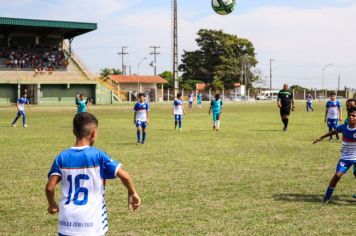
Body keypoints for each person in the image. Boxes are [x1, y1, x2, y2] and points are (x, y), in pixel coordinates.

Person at [45, 112, 140, 235]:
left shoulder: (62, 157)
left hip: (66, 224)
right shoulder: (98, 155)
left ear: (73, 131)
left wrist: (52, 203)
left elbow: (49, 187)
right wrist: (132, 192)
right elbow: (125, 177)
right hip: (91, 224)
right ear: (94, 132)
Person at [313, 107, 356, 203]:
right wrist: (321, 138)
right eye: (349, 116)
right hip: (345, 158)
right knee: (337, 176)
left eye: (353, 116)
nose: (351, 117)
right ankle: (327, 197)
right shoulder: (343, 127)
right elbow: (334, 131)